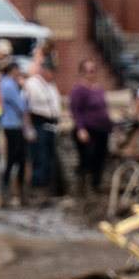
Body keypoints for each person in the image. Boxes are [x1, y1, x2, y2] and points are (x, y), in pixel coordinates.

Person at [22, 56, 65, 204]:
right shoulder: (32, 85)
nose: (53, 74)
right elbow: (25, 108)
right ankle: (38, 188)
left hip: (51, 125)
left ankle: (47, 186)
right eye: (51, 71)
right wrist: (28, 128)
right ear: (44, 70)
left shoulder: (51, 85)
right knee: (39, 157)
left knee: (50, 158)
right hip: (38, 125)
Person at [69, 57, 113, 198]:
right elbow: (76, 111)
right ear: (82, 73)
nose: (90, 74)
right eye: (87, 71)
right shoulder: (78, 90)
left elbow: (104, 110)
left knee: (100, 159)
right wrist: (81, 129)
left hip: (102, 130)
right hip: (88, 129)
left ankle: (96, 186)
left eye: (93, 71)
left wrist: (112, 126)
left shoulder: (98, 89)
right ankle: (83, 189)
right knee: (87, 159)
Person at [0, 49, 30, 209]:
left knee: (16, 159)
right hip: (13, 125)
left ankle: (11, 191)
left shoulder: (5, 83)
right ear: (13, 71)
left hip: (10, 124)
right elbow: (21, 106)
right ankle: (9, 191)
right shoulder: (9, 85)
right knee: (15, 159)